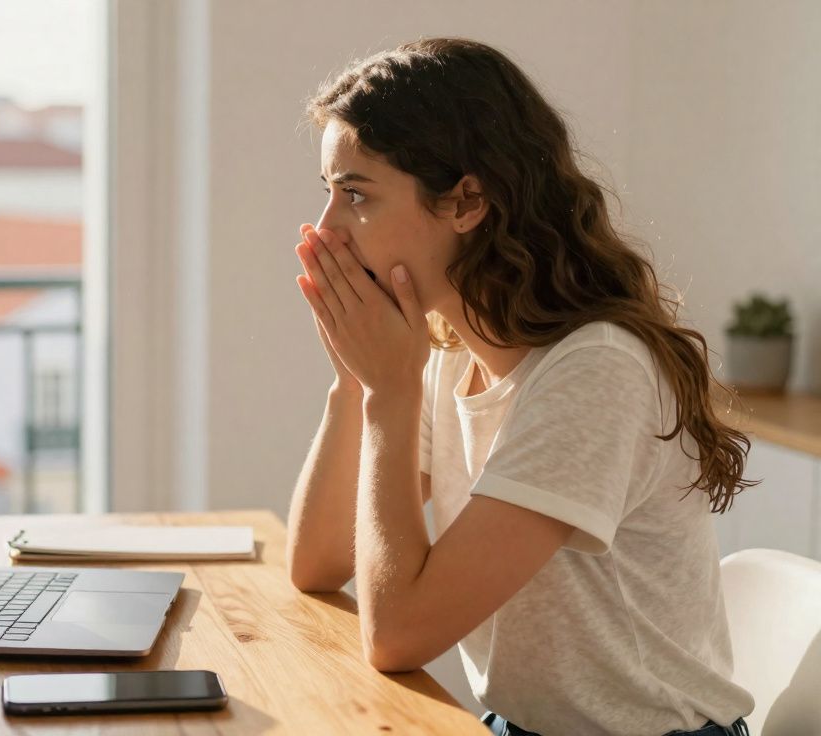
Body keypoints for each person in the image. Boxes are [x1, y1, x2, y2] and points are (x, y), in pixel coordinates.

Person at [286, 38, 753, 736]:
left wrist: (388, 394)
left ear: (467, 201)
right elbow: (317, 563)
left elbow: (399, 635)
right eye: (328, 193)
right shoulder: (447, 357)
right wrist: (353, 384)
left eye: (356, 195)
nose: (327, 230)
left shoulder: (597, 372)